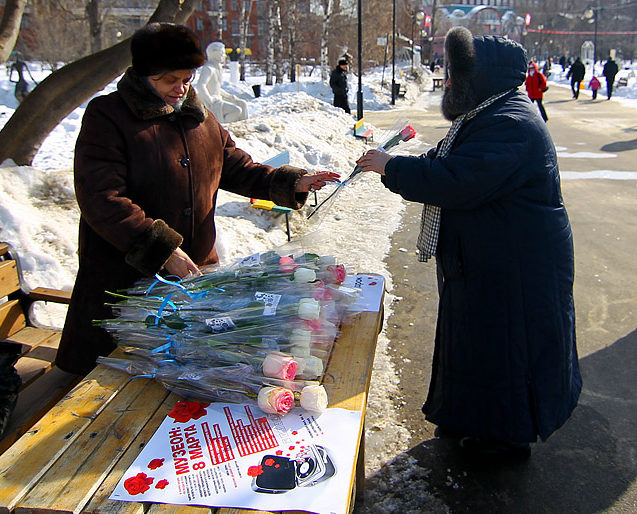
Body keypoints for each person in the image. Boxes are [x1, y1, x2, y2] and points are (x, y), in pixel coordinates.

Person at [54, 23, 340, 375]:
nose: (181, 88)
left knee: (181, 376)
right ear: (145, 74)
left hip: (194, 276)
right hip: (125, 279)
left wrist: (294, 182)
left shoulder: (198, 116)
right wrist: (161, 249)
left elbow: (236, 167)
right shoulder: (108, 117)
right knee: (112, 385)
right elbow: (101, 198)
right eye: (169, 80)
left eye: (187, 78)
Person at [355, 27, 581, 463]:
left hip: (515, 266)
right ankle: (464, 416)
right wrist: (393, 163)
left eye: (458, 75)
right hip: (486, 259)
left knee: (506, 348)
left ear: (483, 77)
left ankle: (504, 438)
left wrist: (392, 169)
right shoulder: (487, 113)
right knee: (473, 341)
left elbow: (457, 181)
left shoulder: (510, 123)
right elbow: (444, 160)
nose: (451, 83)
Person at [194, 41, 249, 123]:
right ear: (214, 53)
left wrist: (229, 96)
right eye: (222, 53)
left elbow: (217, 88)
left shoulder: (218, 67)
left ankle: (245, 125)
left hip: (219, 97)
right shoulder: (209, 68)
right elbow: (201, 86)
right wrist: (209, 99)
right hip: (213, 101)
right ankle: (225, 127)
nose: (225, 56)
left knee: (242, 103)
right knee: (236, 110)